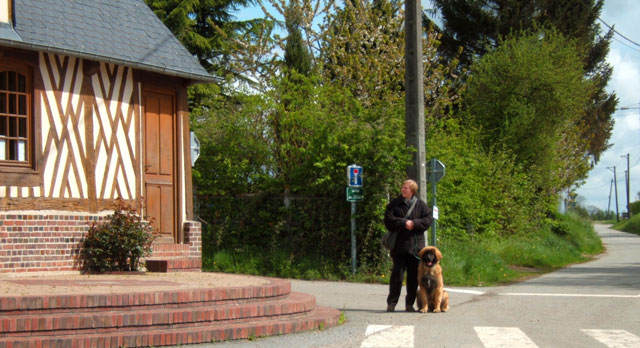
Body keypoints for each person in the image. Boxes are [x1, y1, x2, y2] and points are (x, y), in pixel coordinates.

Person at [384, 179, 433, 312]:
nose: (403, 189)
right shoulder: (395, 204)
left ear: (412, 190)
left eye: (406, 188)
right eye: (403, 187)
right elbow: (388, 220)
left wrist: (414, 223)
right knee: (397, 277)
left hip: (416, 248)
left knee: (413, 278)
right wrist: (403, 223)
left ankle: (409, 304)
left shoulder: (421, 205)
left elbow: (428, 220)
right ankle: (391, 303)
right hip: (399, 247)